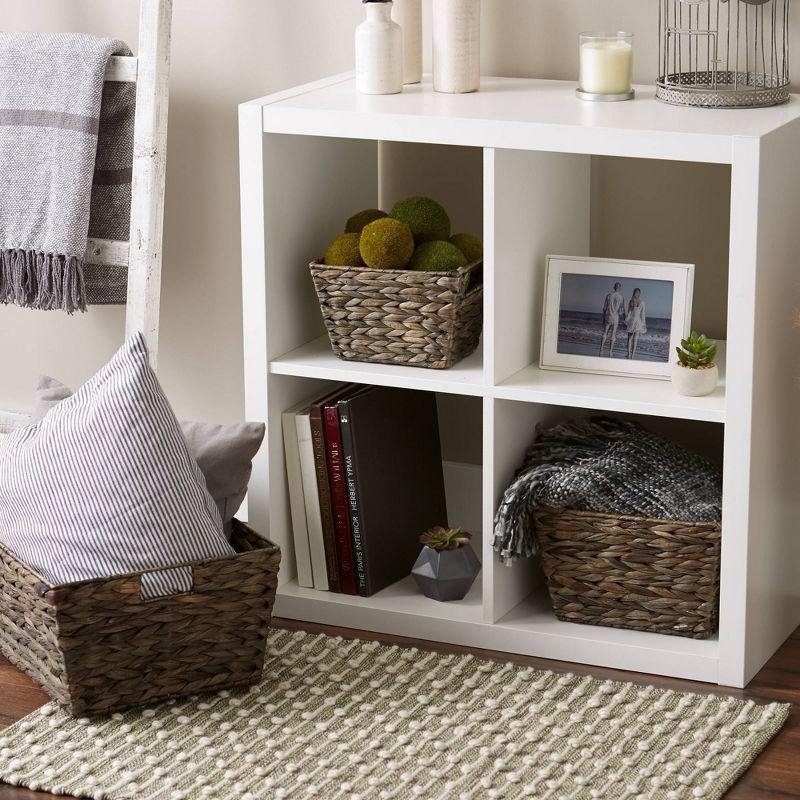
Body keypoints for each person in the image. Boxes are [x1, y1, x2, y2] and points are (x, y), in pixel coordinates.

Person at [599, 282, 624, 357]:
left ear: (614, 287)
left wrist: (603, 317)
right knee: (613, 335)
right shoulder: (621, 297)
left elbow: (604, 308)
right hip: (615, 317)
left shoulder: (609, 295)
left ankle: (601, 349)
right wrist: (624, 319)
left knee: (605, 332)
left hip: (608, 316)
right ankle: (610, 351)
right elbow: (621, 310)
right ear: (619, 288)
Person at [626, 287, 647, 359]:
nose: (636, 294)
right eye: (636, 293)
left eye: (636, 293)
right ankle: (632, 355)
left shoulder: (631, 301)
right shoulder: (640, 302)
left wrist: (626, 320)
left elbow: (629, 313)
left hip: (633, 321)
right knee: (634, 339)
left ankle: (629, 354)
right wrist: (643, 324)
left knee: (630, 339)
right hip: (637, 322)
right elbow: (642, 314)